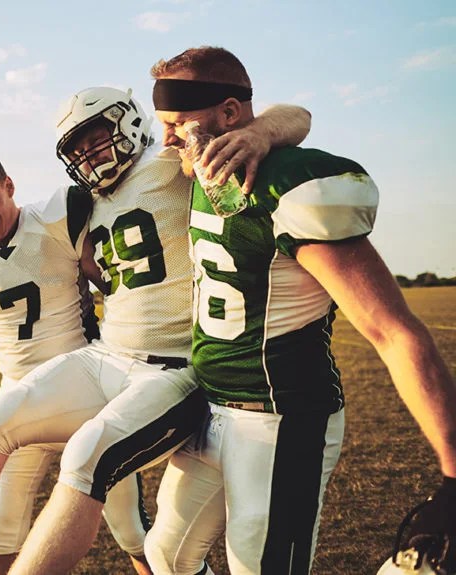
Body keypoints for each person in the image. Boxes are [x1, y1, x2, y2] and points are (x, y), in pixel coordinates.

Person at [0, 88, 310, 575]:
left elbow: (296, 115)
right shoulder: (81, 202)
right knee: (0, 415)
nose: (91, 159)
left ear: (128, 124)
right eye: (78, 152)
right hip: (108, 356)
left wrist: (255, 132)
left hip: (174, 367)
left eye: (97, 142)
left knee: (90, 463)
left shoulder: (171, 159)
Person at [142, 45, 456, 575]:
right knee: (166, 556)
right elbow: (294, 113)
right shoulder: (197, 171)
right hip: (212, 408)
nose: (167, 139)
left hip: (281, 419)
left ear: (230, 116)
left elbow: (392, 331)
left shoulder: (286, 181)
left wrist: (453, 474)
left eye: (178, 123)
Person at [0, 143, 152, 574]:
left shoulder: (58, 218)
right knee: (0, 536)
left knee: (132, 531)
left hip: (87, 392)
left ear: (9, 185)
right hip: (19, 401)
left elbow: (108, 276)